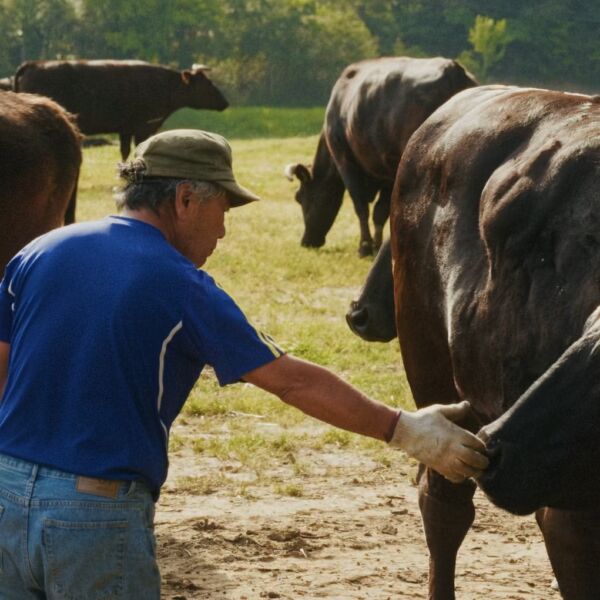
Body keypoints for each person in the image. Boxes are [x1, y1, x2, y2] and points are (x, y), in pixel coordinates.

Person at [0, 129, 488, 599]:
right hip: (94, 514)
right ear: (185, 199)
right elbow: (290, 381)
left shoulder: (38, 252)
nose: (223, 229)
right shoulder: (181, 285)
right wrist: (406, 431)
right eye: (222, 208)